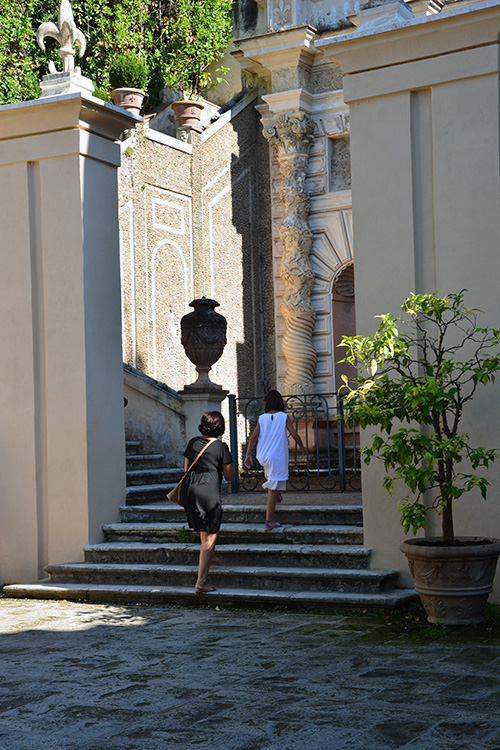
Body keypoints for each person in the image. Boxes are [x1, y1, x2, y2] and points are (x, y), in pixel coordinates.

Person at [183, 411, 234, 594]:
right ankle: (201, 582)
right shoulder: (221, 447)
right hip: (209, 492)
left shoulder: (192, 443)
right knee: (211, 537)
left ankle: (209, 557)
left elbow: (186, 469)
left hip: (191, 491)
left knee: (205, 534)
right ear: (220, 427)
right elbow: (229, 476)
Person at [244, 390, 306, 529]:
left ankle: (278, 495)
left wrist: (248, 454)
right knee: (272, 488)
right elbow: (294, 435)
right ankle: (269, 520)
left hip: (263, 455)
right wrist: (302, 447)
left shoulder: (262, 418)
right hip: (276, 456)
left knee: (272, 477)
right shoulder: (283, 417)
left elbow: (253, 437)